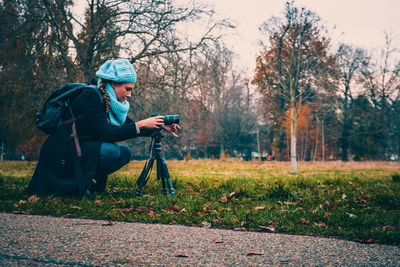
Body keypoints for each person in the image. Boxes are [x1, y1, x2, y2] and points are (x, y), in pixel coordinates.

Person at [27, 59, 180, 196]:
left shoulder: (108, 101)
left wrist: (158, 127)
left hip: (81, 148)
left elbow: (128, 125)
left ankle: (87, 182)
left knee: (125, 152)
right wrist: (140, 124)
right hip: (63, 152)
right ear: (113, 83)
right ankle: (74, 185)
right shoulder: (91, 96)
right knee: (113, 151)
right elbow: (107, 134)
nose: (130, 95)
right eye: (127, 89)